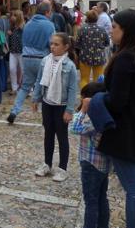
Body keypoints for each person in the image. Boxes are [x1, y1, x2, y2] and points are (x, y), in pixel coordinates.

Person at [95, 9, 135, 228]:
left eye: (114, 27)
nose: (111, 31)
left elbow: (117, 102)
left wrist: (98, 98)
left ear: (126, 31)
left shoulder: (125, 58)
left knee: (134, 190)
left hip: (126, 132)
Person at [31, 32, 78, 182]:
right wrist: (36, 98)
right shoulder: (45, 61)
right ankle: (47, 164)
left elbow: (72, 89)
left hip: (61, 105)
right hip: (47, 103)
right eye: (51, 44)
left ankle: (62, 168)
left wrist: (69, 110)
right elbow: (39, 80)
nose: (52, 47)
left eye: (56, 44)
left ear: (65, 47)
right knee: (48, 134)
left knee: (62, 136)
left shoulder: (69, 65)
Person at [69, 82, 111, 228]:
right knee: (101, 198)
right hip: (104, 164)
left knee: (91, 201)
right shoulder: (106, 113)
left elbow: (74, 128)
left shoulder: (93, 115)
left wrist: (83, 110)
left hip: (91, 163)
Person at [7, 2, 55, 123]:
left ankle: (14, 111)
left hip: (27, 57)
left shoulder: (28, 24)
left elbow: (24, 41)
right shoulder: (49, 25)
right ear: (47, 12)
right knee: (44, 86)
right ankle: (45, 115)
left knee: (25, 86)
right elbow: (52, 44)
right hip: (42, 58)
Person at [75, 10, 110, 89]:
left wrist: (84, 47)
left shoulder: (82, 29)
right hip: (99, 57)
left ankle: (83, 98)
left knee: (84, 79)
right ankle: (95, 97)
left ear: (87, 18)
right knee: (98, 79)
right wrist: (100, 46)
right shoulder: (102, 29)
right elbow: (107, 42)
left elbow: (77, 44)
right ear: (97, 18)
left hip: (85, 57)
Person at [8, 10, 25, 95]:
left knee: (23, 70)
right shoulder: (12, 27)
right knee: (12, 69)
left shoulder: (23, 27)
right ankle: (14, 88)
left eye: (14, 15)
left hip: (22, 52)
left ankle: (27, 88)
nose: (12, 17)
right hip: (13, 51)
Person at [0, 5, 10, 93]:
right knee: (4, 65)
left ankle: (2, 86)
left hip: (2, 46)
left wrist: (0, 45)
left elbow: (0, 34)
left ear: (0, 12)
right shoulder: (8, 20)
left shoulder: (0, 20)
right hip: (7, 45)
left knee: (1, 66)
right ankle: (3, 85)